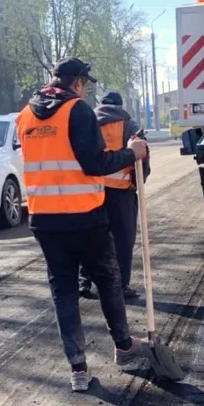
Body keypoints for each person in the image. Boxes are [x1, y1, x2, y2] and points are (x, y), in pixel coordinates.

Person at [16, 57, 149, 392]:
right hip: (84, 217)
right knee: (108, 279)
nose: (86, 89)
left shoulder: (25, 116)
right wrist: (131, 153)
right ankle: (123, 346)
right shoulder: (77, 110)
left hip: (44, 220)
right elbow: (95, 163)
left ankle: (78, 370)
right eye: (85, 84)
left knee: (64, 292)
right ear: (77, 83)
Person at [79, 91, 150, 301]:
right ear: (120, 105)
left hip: (93, 191)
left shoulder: (89, 121)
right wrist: (139, 181)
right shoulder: (130, 124)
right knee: (122, 240)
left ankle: (85, 282)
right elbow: (142, 154)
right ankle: (121, 285)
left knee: (91, 238)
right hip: (120, 193)